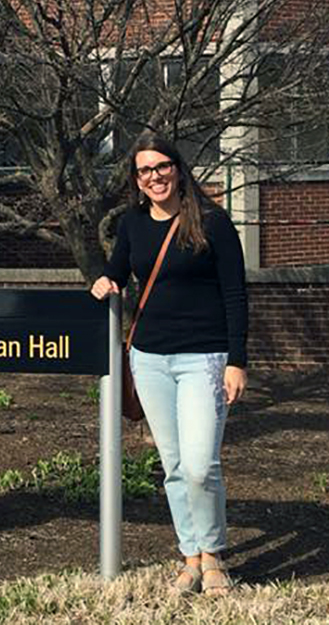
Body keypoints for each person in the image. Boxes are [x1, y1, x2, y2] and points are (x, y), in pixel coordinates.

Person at [90, 133, 248, 596]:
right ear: (136, 180)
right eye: (144, 171)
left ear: (178, 170)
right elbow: (118, 272)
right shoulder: (133, 225)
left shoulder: (213, 223)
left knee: (201, 465)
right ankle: (192, 557)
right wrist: (105, 282)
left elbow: (236, 295)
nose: (154, 177)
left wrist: (236, 361)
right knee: (175, 464)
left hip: (204, 358)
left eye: (161, 167)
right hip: (150, 359)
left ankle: (215, 554)